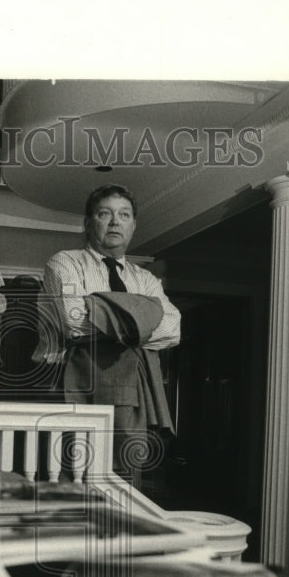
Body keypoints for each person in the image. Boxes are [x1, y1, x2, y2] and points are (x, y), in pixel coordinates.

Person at [32, 184, 181, 480]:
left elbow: (172, 329)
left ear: (133, 225)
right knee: (69, 484)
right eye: (105, 214)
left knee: (123, 486)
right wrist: (141, 316)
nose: (116, 222)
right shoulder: (65, 262)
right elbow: (74, 324)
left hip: (130, 392)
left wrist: (98, 308)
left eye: (124, 215)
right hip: (66, 387)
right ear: (89, 223)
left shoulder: (146, 279)